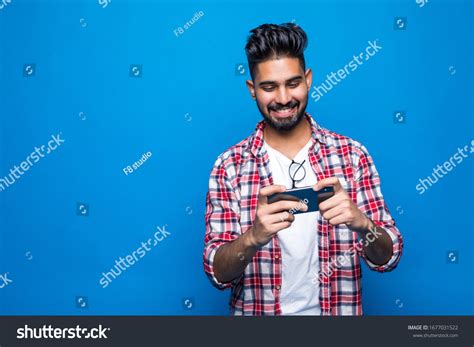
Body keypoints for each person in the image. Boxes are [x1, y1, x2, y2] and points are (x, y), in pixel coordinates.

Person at [203, 23, 403, 315]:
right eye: (269, 87)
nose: (283, 98)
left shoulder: (352, 156)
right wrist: (253, 237)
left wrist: (362, 224)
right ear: (252, 89)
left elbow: (389, 257)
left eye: (292, 83)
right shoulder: (229, 167)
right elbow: (217, 273)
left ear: (308, 80)